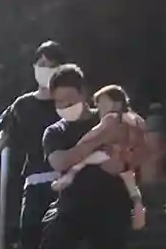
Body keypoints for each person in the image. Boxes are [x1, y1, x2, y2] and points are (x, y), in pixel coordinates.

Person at [41, 66, 136, 249]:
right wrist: (95, 143)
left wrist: (84, 149)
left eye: (69, 100)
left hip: (112, 200)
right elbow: (60, 161)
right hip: (72, 202)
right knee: (53, 234)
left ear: (83, 93)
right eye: (59, 102)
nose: (64, 107)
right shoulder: (55, 132)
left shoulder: (109, 118)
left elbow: (120, 158)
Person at [0, 41, 67, 249]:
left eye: (52, 65)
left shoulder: (69, 102)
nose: (46, 69)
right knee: (29, 232)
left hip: (68, 178)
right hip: (35, 178)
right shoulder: (23, 104)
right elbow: (5, 134)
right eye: (41, 64)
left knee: (62, 234)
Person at [52, 84, 147, 232]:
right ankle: (138, 206)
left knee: (83, 160)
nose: (99, 108)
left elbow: (93, 134)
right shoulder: (136, 119)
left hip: (113, 155)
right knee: (132, 186)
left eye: (102, 103)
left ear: (116, 103)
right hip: (126, 161)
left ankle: (70, 175)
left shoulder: (111, 118)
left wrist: (81, 147)